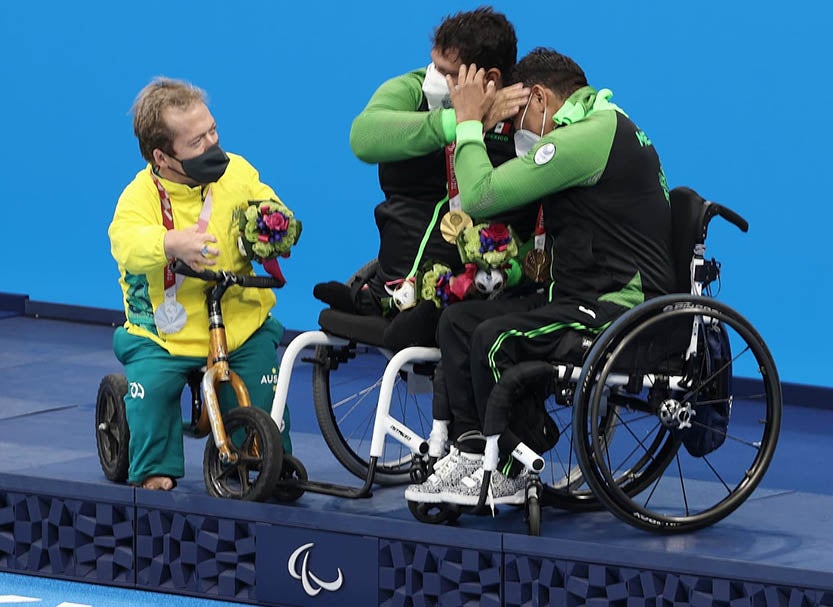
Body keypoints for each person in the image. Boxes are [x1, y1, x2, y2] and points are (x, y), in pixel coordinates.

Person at [406, 48, 677, 506]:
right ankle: (473, 452)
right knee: (460, 321)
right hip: (576, 294)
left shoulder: (591, 135)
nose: (517, 134)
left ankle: (512, 467)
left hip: (623, 309)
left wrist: (470, 122)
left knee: (495, 336)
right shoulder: (593, 126)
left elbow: (479, 196)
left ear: (539, 97)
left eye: (518, 120)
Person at [313, 6, 537, 350]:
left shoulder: (524, 109)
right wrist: (460, 121)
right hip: (400, 265)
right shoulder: (413, 88)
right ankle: (376, 297)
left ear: (490, 78)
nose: (433, 75)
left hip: (485, 279)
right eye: (434, 63)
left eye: (447, 71)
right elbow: (363, 137)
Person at [108, 77, 294, 491]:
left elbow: (270, 204)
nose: (212, 144)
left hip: (239, 323)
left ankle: (267, 462)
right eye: (197, 141)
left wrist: (274, 224)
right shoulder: (139, 197)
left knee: (266, 387)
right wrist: (170, 242)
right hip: (164, 333)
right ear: (163, 156)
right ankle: (154, 467)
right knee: (152, 392)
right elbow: (126, 243)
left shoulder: (239, 172)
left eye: (213, 130)